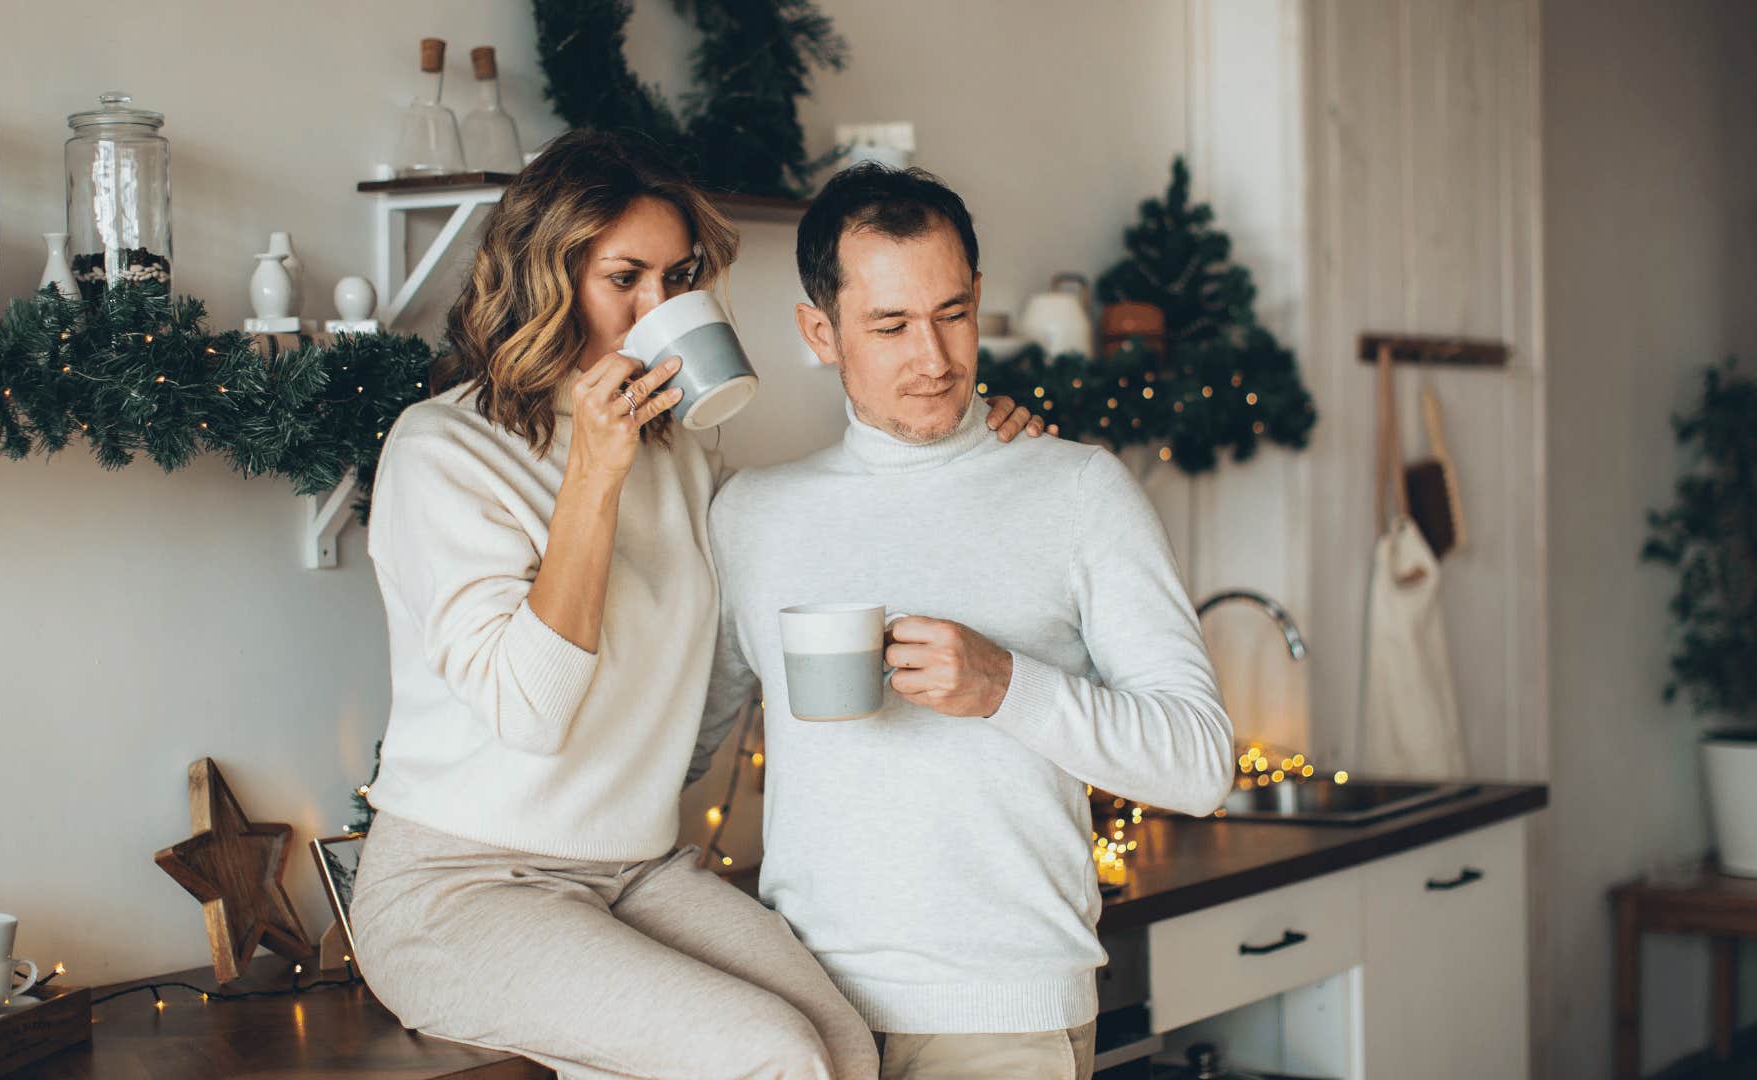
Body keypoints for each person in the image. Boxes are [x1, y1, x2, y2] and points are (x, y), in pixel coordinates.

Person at [348, 131, 1048, 1080]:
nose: (658, 311)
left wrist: (973, 433)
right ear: (545, 279)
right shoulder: (442, 448)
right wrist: (593, 472)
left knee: (840, 1046)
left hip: (633, 869)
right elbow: (531, 708)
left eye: (678, 281)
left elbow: (795, 544)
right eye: (623, 278)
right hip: (460, 885)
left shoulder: (683, 453)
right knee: (771, 1058)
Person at [693, 164, 1236, 1080]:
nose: (935, 358)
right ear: (819, 333)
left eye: (951, 313)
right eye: (891, 325)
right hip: (799, 1019)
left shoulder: (1076, 489)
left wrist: (1005, 687)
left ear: (979, 297)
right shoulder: (751, 514)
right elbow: (674, 749)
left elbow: (1198, 765)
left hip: (1004, 1015)